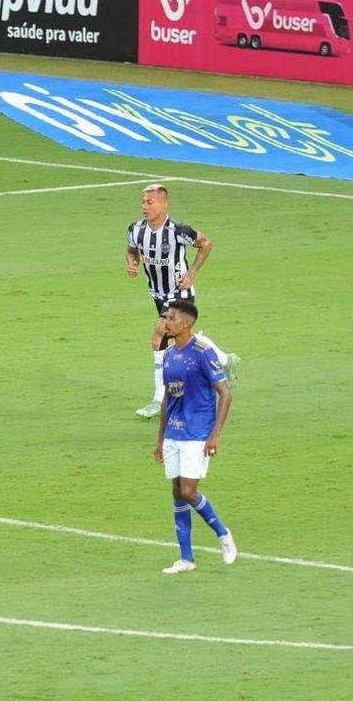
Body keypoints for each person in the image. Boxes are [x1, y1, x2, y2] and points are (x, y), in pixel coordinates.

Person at [127, 184, 240, 419]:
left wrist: (192, 273)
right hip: (157, 294)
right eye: (143, 202)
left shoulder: (178, 230)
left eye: (150, 202)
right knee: (182, 336)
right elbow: (131, 250)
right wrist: (132, 262)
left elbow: (206, 243)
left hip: (180, 293)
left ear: (163, 204)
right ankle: (224, 359)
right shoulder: (136, 230)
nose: (144, 207)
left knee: (159, 335)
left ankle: (158, 400)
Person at [154, 301, 238, 574]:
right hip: (174, 432)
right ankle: (186, 558)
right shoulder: (168, 355)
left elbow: (224, 393)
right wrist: (160, 439)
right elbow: (167, 397)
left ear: (187, 323)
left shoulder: (202, 352)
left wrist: (216, 435)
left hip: (198, 431)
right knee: (177, 492)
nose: (166, 321)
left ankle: (222, 532)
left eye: (172, 317)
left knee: (189, 490)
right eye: (166, 316)